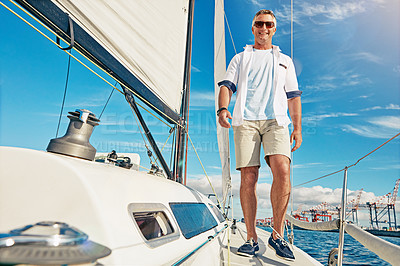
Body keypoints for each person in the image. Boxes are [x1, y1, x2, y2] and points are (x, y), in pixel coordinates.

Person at [217, 9, 302, 261]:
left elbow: (293, 96)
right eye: (259, 24)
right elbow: (226, 86)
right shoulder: (240, 58)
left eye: (268, 24)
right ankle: (252, 237)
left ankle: (276, 234)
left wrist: (297, 127)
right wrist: (223, 108)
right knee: (249, 177)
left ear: (274, 29)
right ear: (252, 28)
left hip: (277, 121)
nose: (263, 28)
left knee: (283, 170)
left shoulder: (285, 60)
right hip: (245, 121)